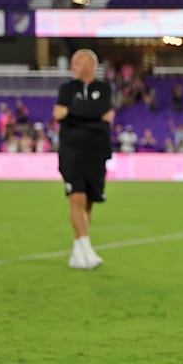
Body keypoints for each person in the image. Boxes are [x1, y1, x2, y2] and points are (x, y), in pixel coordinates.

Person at [52, 49, 114, 270]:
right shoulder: (67, 89)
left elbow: (107, 113)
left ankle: (77, 254)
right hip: (72, 152)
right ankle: (88, 251)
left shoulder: (104, 88)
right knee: (76, 199)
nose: (73, 66)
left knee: (89, 201)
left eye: (77, 62)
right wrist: (94, 117)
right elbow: (59, 114)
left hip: (97, 151)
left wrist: (73, 113)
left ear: (90, 64)